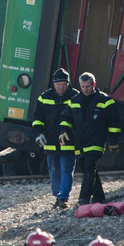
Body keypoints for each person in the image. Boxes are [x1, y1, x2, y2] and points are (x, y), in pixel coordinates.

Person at [58, 72, 121, 206]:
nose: (85, 89)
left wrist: (113, 141)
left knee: (89, 166)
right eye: (82, 87)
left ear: (94, 85)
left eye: (88, 86)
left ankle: (84, 198)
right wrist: (63, 131)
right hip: (80, 141)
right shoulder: (74, 101)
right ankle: (99, 197)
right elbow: (65, 118)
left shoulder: (105, 101)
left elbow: (114, 123)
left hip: (96, 140)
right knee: (88, 169)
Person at [32, 68, 79, 208]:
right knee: (54, 170)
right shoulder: (44, 97)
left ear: (68, 83)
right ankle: (57, 195)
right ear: (53, 84)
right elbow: (37, 119)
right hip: (51, 141)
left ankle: (63, 197)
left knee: (67, 168)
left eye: (64, 84)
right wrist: (38, 134)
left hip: (69, 141)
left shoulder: (75, 96)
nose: (61, 87)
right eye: (58, 84)